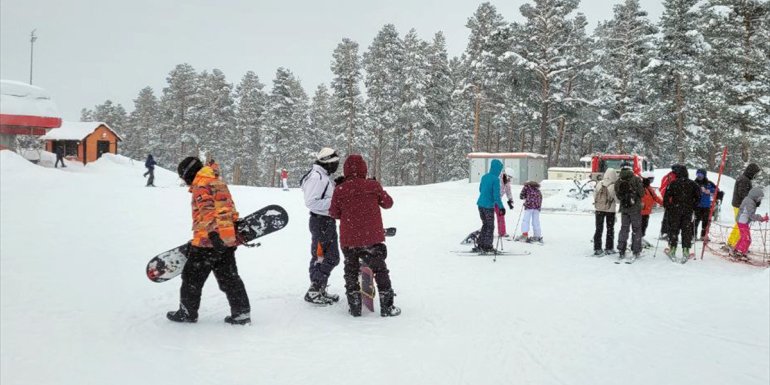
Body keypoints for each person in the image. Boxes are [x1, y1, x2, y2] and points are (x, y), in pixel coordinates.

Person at [166, 157, 251, 325]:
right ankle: (241, 313)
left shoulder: (201, 184)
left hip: (208, 241)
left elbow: (208, 211)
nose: (184, 181)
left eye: (183, 177)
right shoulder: (216, 181)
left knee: (191, 278)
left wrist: (212, 234)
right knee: (229, 278)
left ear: (188, 173)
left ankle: (187, 312)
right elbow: (228, 207)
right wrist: (229, 234)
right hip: (226, 239)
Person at [329, 154, 399, 317]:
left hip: (350, 241)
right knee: (380, 271)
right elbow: (388, 203)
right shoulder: (373, 186)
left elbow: (333, 213)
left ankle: (354, 307)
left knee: (351, 273)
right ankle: (387, 307)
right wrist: (376, 187)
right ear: (364, 169)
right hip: (372, 239)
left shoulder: (340, 190)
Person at [299, 148, 341, 305]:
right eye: (335, 163)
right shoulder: (317, 177)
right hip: (321, 221)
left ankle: (319, 288)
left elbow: (324, 196)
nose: (336, 165)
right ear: (327, 163)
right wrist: (336, 202)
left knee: (324, 256)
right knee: (325, 257)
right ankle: (315, 290)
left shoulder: (322, 176)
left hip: (325, 220)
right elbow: (311, 202)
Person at [663, 165, 700, 262]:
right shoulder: (693, 184)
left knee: (674, 229)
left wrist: (668, 207)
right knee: (686, 230)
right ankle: (686, 250)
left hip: (675, 210)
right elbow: (698, 197)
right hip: (687, 210)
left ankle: (673, 248)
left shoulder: (673, 183)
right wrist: (694, 206)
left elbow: (666, 197)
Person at [474, 159, 505, 253]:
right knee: (490, 226)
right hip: (488, 206)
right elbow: (496, 196)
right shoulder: (496, 180)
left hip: (480, 204)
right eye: (500, 169)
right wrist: (501, 207)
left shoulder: (484, 177)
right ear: (498, 169)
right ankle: (487, 246)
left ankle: (481, 244)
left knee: (485, 224)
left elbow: (480, 189)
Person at [614, 167, 645, 259]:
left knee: (624, 229)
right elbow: (642, 193)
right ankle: (636, 250)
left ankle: (621, 249)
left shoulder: (618, 181)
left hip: (624, 209)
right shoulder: (636, 179)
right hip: (635, 209)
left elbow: (618, 196)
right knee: (636, 229)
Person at [728, 163, 761, 248]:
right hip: (740, 205)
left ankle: (733, 243)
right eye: (755, 173)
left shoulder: (745, 179)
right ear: (751, 172)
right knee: (741, 225)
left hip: (740, 204)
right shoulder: (744, 180)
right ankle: (732, 244)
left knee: (740, 225)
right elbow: (743, 194)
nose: (755, 176)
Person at [733, 187, 769, 260]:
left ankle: (736, 250)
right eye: (759, 198)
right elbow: (751, 215)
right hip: (742, 222)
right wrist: (761, 218)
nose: (760, 200)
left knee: (744, 238)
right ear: (755, 196)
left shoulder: (749, 200)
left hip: (743, 221)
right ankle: (740, 252)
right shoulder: (750, 202)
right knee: (747, 239)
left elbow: (750, 214)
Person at [592, 168, 618, 256]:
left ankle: (597, 248)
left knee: (598, 229)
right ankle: (609, 248)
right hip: (610, 210)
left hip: (599, 209)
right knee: (610, 229)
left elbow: (594, 195)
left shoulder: (600, 183)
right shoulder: (613, 186)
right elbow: (617, 200)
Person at [692, 169, 716, 241]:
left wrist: (709, 191)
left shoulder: (709, 183)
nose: (699, 176)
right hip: (697, 205)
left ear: (704, 175)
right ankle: (693, 235)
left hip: (706, 205)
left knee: (706, 221)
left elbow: (717, 190)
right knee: (696, 221)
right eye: (698, 174)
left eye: (701, 175)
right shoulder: (694, 183)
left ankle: (703, 235)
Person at [640, 173, 663, 247]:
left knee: (644, 225)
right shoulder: (640, 187)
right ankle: (637, 239)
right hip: (641, 211)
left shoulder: (649, 188)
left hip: (647, 210)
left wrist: (664, 203)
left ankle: (640, 238)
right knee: (640, 226)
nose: (651, 181)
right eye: (650, 180)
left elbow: (655, 197)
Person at [657, 166, 679, 240]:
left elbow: (662, 189)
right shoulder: (669, 177)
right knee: (670, 218)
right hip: (672, 202)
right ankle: (667, 233)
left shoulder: (668, 176)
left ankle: (666, 233)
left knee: (668, 217)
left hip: (671, 201)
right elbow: (663, 189)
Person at [496, 168, 515, 239]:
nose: (509, 179)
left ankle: (502, 232)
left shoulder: (507, 182)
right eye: (509, 177)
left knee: (501, 215)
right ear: (505, 174)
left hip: (498, 200)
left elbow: (508, 191)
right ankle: (486, 231)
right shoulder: (498, 179)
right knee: (489, 217)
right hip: (491, 200)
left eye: (510, 178)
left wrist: (510, 200)